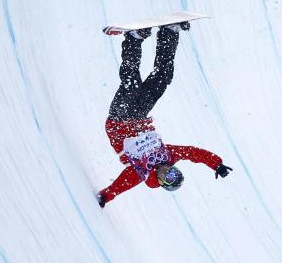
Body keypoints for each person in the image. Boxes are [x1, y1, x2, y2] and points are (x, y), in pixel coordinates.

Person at [96, 23, 232, 207]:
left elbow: (120, 186)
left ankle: (133, 39)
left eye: (168, 177)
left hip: (118, 122)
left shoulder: (139, 172)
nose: (168, 171)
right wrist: (216, 164)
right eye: (174, 171)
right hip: (139, 116)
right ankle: (169, 32)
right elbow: (193, 153)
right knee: (162, 79)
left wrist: (105, 196)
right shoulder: (168, 155)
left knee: (131, 85)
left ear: (161, 182)